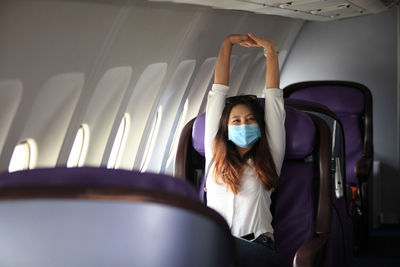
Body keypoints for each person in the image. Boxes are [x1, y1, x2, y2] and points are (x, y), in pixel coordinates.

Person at [204, 33, 285, 267]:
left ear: (259, 125)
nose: (244, 125)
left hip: (258, 248)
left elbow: (274, 99)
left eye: (250, 120)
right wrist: (226, 44)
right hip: (218, 246)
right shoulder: (214, 157)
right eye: (236, 121)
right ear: (226, 128)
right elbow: (217, 93)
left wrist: (270, 50)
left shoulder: (270, 156)